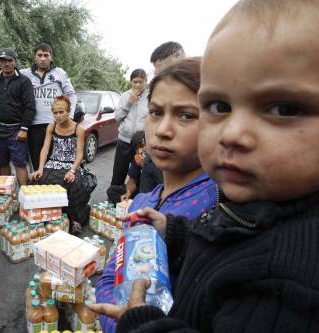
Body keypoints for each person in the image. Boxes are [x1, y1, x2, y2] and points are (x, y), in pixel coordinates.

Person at [90, 0, 319, 331]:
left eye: (284, 109)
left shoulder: (293, 282)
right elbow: (224, 245)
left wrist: (141, 325)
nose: (232, 134)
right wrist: (177, 234)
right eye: (219, 105)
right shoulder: (252, 203)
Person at [94, 58, 217, 333]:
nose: (162, 130)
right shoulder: (143, 202)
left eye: (186, 115)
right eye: (155, 112)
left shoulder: (220, 206)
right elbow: (110, 278)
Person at [0, 42, 77, 171]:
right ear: (35, 57)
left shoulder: (59, 73)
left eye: (46, 55)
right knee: (37, 163)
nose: (43, 59)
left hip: (55, 124)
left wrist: (70, 117)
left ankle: (56, 189)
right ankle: (38, 188)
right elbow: (6, 70)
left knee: (57, 160)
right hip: (34, 126)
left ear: (51, 57)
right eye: (39, 55)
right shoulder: (26, 74)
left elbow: (72, 95)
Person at [30, 96, 90, 234]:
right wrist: (40, 168)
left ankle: (76, 219)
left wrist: (72, 170)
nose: (58, 115)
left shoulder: (78, 129)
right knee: (39, 179)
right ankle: (46, 215)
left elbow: (80, 154)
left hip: (72, 164)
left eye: (61, 112)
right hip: (53, 162)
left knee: (73, 184)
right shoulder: (51, 126)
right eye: (55, 112)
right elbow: (45, 149)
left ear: (68, 112)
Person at [0, 47, 35, 186]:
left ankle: (24, 196)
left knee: (19, 164)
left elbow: (30, 107)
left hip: (17, 129)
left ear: (15, 61)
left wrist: (24, 128)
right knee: (2, 163)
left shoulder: (24, 81)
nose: (6, 64)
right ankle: (8, 196)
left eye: (9, 60)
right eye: (3, 60)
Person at [139, 42, 185, 194]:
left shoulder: (200, 91)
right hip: (153, 160)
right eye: (157, 76)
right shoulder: (157, 92)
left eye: (186, 116)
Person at [110, 69, 149, 186]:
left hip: (141, 143)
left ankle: (135, 200)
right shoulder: (124, 96)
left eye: (140, 82)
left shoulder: (151, 97)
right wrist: (129, 103)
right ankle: (113, 197)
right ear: (131, 82)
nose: (137, 85)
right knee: (119, 171)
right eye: (134, 81)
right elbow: (117, 117)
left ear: (146, 82)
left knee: (139, 173)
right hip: (124, 141)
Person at [106, 131, 146, 204]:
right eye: (137, 148)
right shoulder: (136, 159)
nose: (140, 151)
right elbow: (132, 181)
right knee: (112, 190)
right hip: (138, 191)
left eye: (142, 146)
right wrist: (129, 192)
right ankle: (131, 205)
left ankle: (136, 205)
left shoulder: (156, 159)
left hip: (151, 192)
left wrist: (145, 166)